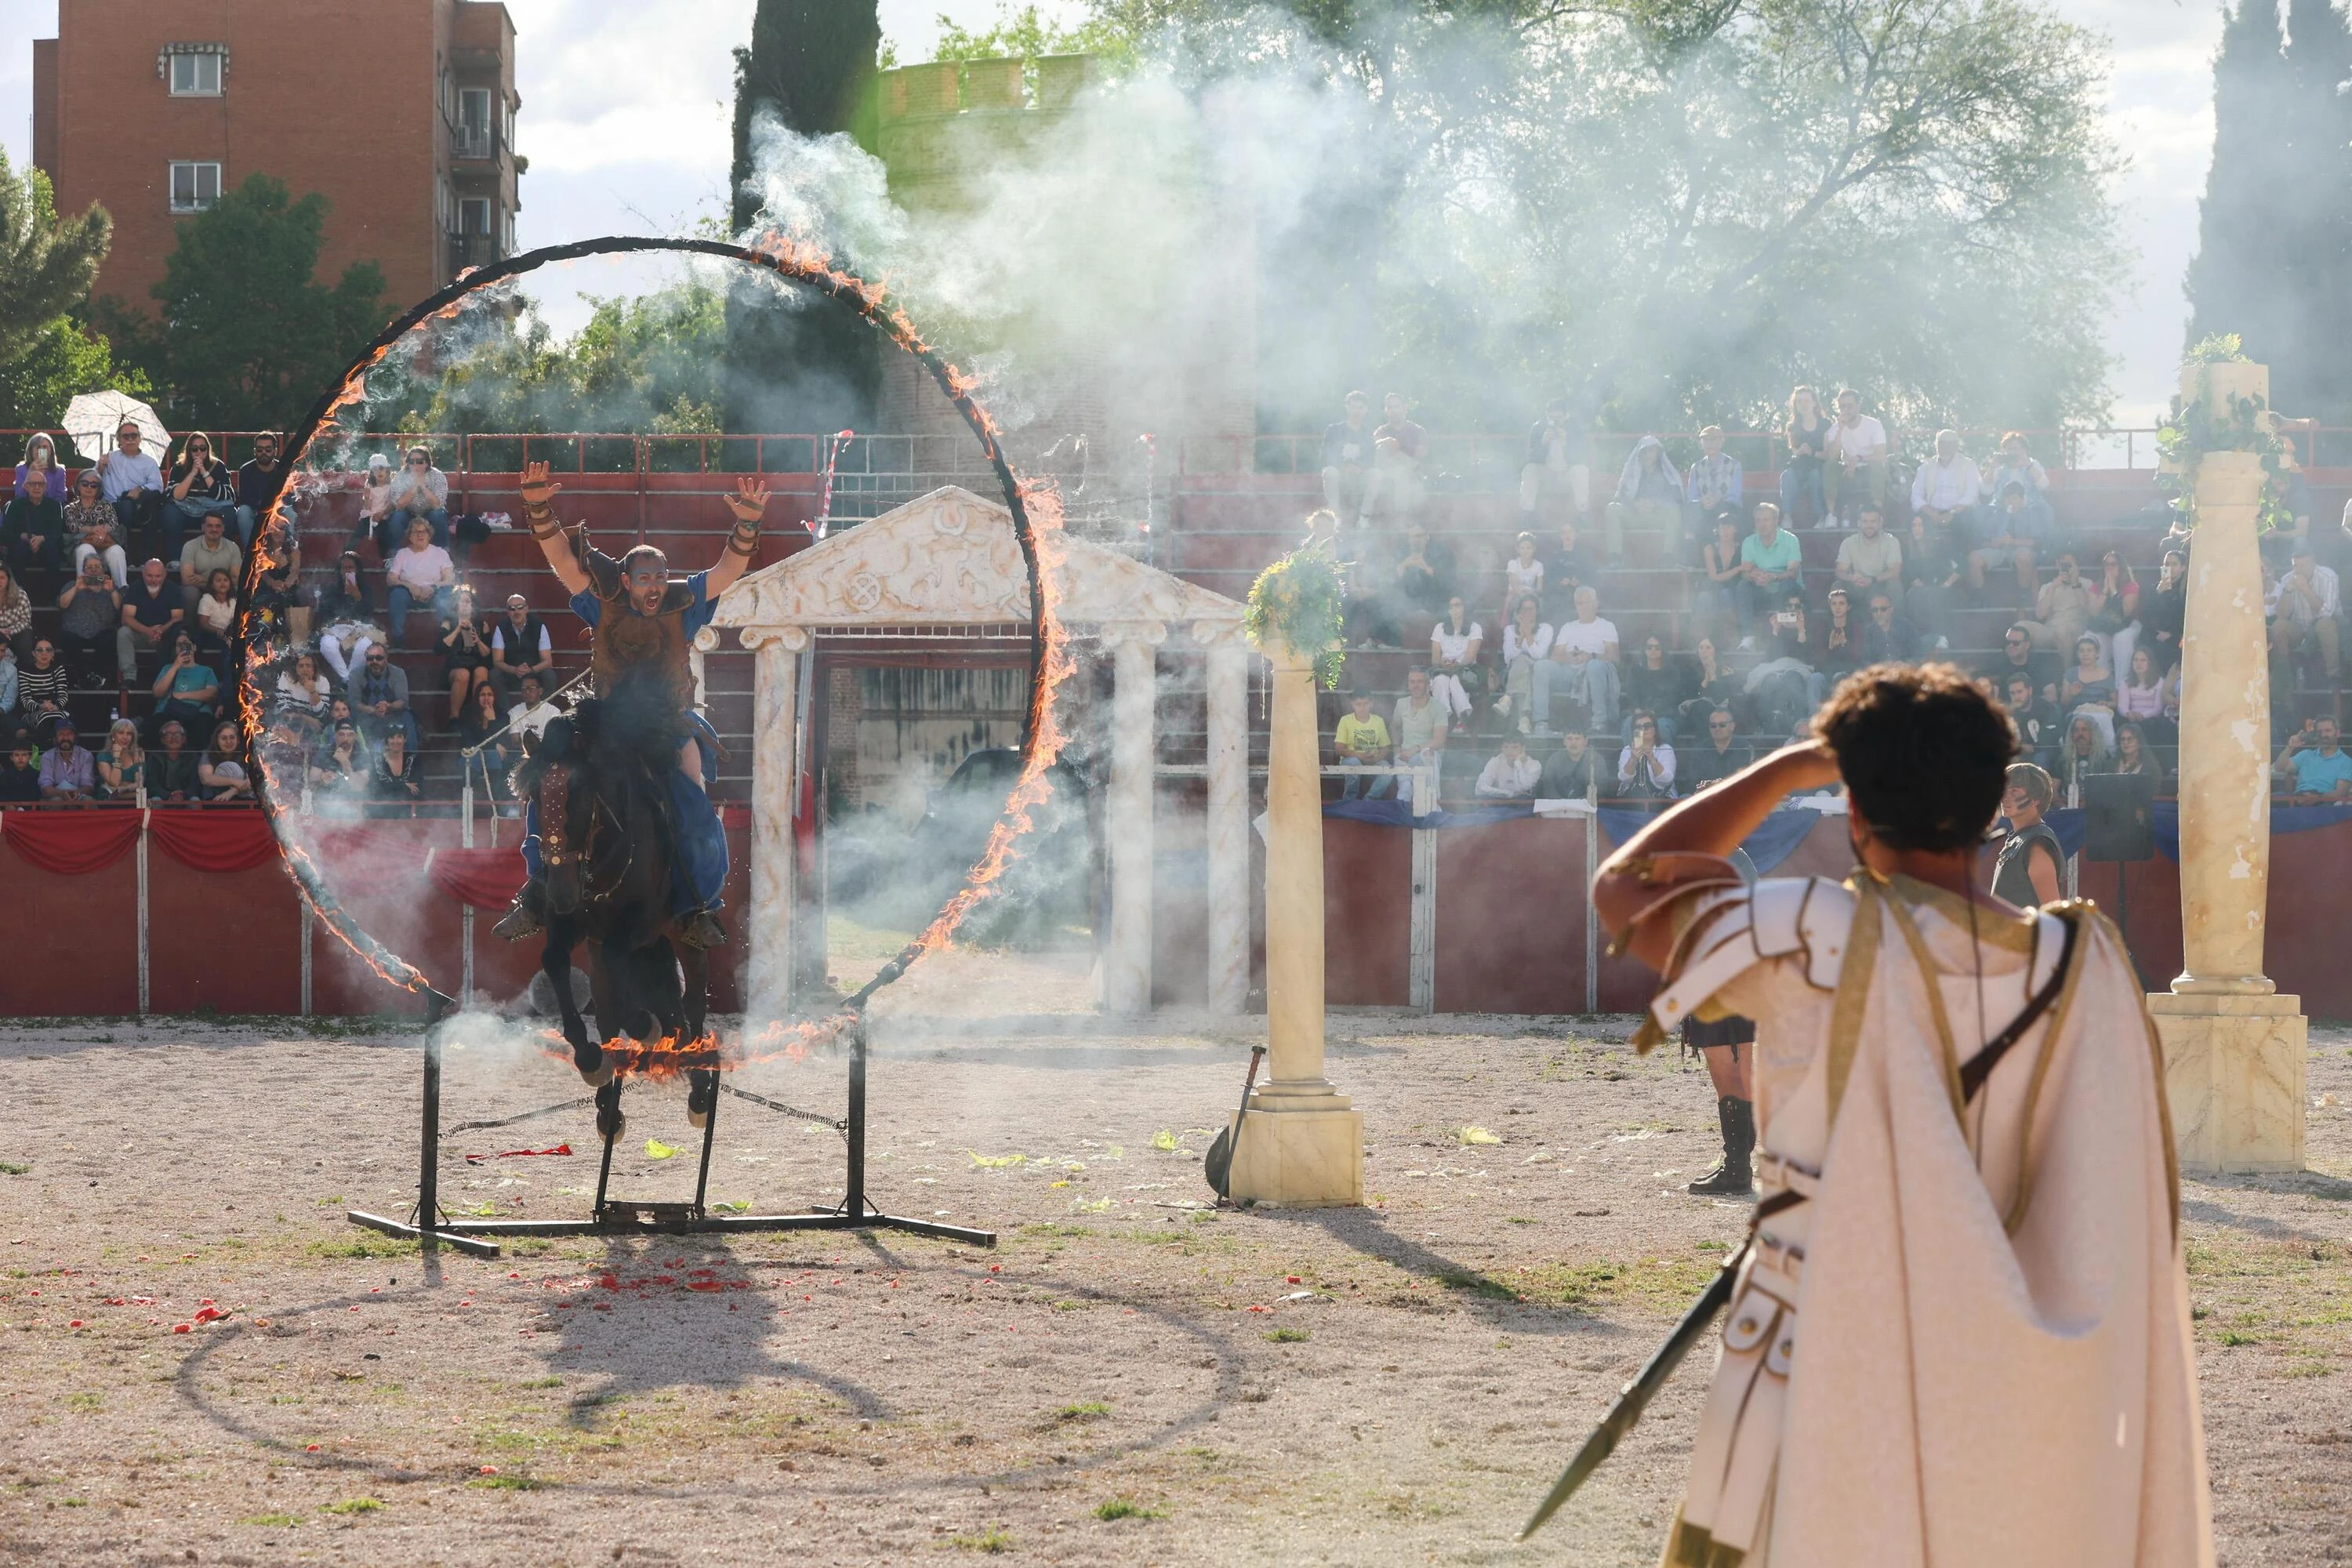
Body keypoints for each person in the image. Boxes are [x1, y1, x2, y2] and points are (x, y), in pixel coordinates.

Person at [1592, 667, 2208, 1567]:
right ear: (1994, 804)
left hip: (1836, 1349)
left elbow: (1625, 886)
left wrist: (1788, 769)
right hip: (2022, 1382)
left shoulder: (1813, 935)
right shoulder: (2090, 964)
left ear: (1852, 809)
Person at [492, 461, 771, 949]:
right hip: (605, 720)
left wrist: (747, 523)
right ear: (625, 580)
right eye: (645, 578)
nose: (655, 585)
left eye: (661, 576)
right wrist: (538, 510)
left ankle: (698, 906)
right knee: (549, 782)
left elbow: (727, 571)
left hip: (667, 722)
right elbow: (564, 562)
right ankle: (535, 895)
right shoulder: (602, 602)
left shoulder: (686, 602)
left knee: (694, 804)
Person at [1548, 585, 1623, 737]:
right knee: (1542, 666)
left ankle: (1599, 722)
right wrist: (1569, 658)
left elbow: (1614, 658)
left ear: (1596, 604)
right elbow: (1555, 657)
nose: (1584, 607)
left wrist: (1591, 656)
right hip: (1570, 671)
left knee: (1594, 666)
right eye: (1580, 603)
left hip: (1596, 670)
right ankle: (1540, 723)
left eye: (1587, 603)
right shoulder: (1568, 627)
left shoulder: (1606, 626)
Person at [2267, 539, 2341, 687]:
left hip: (2325, 626)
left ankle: (2334, 677)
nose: (2299, 570)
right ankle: (2285, 678)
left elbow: (2326, 612)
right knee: (2279, 626)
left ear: (2314, 563)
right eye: (2296, 565)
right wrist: (2288, 591)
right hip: (2300, 628)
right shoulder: (2287, 579)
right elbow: (2281, 615)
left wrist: (2306, 588)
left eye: (2304, 566)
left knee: (2325, 625)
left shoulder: (2328, 576)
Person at [1991, 760, 2065, 906]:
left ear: (2035, 799)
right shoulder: (2020, 838)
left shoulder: (2037, 844)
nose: (2005, 797)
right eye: (2004, 790)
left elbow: (2051, 908)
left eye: (2015, 791)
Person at [1733, 503, 1803, 648]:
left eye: (1766, 520)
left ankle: (1779, 634)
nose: (1762, 524)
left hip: (1786, 588)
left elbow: (1793, 572)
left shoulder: (1791, 540)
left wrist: (1773, 577)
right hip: (1761, 589)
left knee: (1787, 585)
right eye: (1758, 520)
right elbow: (1746, 572)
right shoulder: (1749, 542)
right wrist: (1755, 576)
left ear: (1776, 520)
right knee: (1743, 586)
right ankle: (1748, 637)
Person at [1605, 434, 1682, 561]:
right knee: (1612, 508)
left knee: (1674, 510)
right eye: (1645, 451)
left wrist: (1655, 504)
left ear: (1658, 453)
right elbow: (1620, 496)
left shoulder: (1666, 475)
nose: (1648, 455)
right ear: (1639, 454)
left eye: (1651, 451)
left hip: (1657, 517)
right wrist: (1634, 504)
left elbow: (1676, 496)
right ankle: (1615, 556)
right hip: (1635, 516)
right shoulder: (1632, 474)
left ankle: (1669, 556)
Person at [94, 420, 165, 555]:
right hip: (108, 504)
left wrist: (140, 489)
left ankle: (130, 553)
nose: (130, 439)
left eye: (134, 436)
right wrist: (101, 468)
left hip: (135, 506)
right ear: (119, 440)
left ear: (140, 438)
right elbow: (92, 479)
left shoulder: (149, 462)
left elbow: (158, 486)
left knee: (130, 507)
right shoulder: (109, 458)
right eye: (126, 436)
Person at [1820, 387, 1888, 526]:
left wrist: (1859, 459)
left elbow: (1881, 455)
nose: (1846, 410)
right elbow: (1833, 456)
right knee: (1829, 466)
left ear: (1858, 407)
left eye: (1849, 406)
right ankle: (1831, 515)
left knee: (1877, 468)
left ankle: (1877, 514)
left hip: (1868, 465)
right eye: (1842, 407)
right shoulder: (1835, 429)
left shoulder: (1874, 425)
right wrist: (1840, 430)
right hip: (1847, 467)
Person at [163, 434, 238, 558]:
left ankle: (224, 557)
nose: (199, 452)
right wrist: (193, 473)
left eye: (203, 448)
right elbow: (176, 496)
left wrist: (204, 472)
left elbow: (227, 496)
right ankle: (175, 559)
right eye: (194, 449)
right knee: (170, 512)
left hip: (211, 509)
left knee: (229, 513)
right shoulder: (178, 467)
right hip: (185, 509)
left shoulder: (218, 466)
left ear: (208, 450)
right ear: (189, 450)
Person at [1519, 397, 1591, 526]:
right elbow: (1530, 458)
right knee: (1529, 470)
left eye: (1558, 418)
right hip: (1546, 474)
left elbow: (1581, 457)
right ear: (1546, 415)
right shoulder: (1538, 428)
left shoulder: (1575, 428)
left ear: (1566, 415)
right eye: (1551, 418)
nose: (1555, 421)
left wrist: (1566, 443)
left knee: (1581, 470)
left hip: (1567, 474)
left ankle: (1583, 513)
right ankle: (1527, 514)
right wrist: (1543, 443)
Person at [1360, 392, 1428, 526]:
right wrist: (1386, 442)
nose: (1393, 410)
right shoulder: (1381, 431)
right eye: (1390, 407)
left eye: (1397, 406)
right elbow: (1373, 451)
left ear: (1405, 408)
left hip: (1411, 469)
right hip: (1385, 469)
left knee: (1402, 472)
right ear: (1386, 410)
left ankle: (1402, 517)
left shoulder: (1417, 430)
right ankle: (1364, 517)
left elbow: (1420, 456)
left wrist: (1397, 452)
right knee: (1378, 465)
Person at [1968, 481, 2045, 598]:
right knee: (1974, 558)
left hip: (2020, 550)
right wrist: (1992, 543)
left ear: (2022, 500)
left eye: (2014, 498)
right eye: (2007, 498)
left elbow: (2037, 541)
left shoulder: (2030, 515)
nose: (2010, 502)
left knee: (2023, 557)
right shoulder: (1996, 515)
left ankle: (2024, 594)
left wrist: (2013, 542)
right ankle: (1978, 597)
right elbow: (1982, 541)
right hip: (1998, 551)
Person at [56, 553, 122, 688]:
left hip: (101, 632)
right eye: (89, 567)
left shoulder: (110, 587)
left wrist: (111, 591)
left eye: (97, 567)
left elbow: (119, 607)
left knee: (111, 637)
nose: (93, 570)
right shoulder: (72, 585)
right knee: (66, 639)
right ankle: (87, 676)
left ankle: (96, 677)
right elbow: (62, 604)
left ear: (103, 570)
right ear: (83, 570)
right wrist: (76, 588)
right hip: (74, 632)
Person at [383, 516, 456, 641]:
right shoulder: (402, 554)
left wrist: (434, 587)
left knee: (445, 595)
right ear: (410, 536)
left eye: (423, 532)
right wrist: (409, 586)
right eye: (415, 532)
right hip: (410, 594)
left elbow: (450, 578)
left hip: (434, 593)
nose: (420, 535)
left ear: (429, 535)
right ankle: (398, 637)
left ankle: (445, 636)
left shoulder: (440, 553)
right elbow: (391, 579)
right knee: (397, 595)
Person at [317, 552, 380, 684]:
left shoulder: (365, 589)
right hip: (336, 628)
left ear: (357, 570)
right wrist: (337, 620)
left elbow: (368, 611)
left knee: (365, 645)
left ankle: (347, 680)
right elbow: (325, 611)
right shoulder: (331, 588)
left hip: (360, 629)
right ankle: (347, 679)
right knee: (327, 644)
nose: (347, 571)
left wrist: (357, 595)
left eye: (351, 568)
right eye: (344, 568)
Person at [118, 557, 184, 684]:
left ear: (165, 575)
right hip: (141, 635)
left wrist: (161, 630)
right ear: (143, 574)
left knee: (182, 638)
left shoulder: (174, 590)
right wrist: (148, 631)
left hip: (166, 636)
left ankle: (178, 678)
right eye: (150, 576)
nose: (154, 580)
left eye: (158, 576)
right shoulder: (135, 588)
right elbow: (126, 618)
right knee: (123, 632)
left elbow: (178, 617)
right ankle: (129, 677)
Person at [2, 464, 66, 590]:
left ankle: (54, 594)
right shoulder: (14, 506)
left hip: (47, 547)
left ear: (45, 487)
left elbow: (58, 532)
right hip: (21, 547)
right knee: (19, 549)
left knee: (51, 548)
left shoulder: (54, 506)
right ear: (26, 486)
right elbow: (6, 532)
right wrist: (22, 536)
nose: (37, 487)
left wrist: (42, 538)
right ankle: (15, 593)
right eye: (33, 484)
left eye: (40, 484)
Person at [1497, 594, 1554, 737]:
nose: (1528, 613)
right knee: (1521, 662)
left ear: (1537, 611)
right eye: (1524, 609)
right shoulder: (1510, 630)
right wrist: (1520, 637)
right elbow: (1508, 658)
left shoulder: (1546, 629)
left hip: (1539, 671)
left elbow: (1539, 655)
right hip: (1513, 672)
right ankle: (1524, 718)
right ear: (1518, 612)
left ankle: (1508, 698)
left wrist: (1528, 635)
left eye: (1531, 609)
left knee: (1526, 664)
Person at [2024, 550, 2100, 655]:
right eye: (2063, 564)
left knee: (2063, 631)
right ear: (2057, 564)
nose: (2066, 568)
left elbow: (2089, 610)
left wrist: (2076, 584)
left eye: (2069, 564)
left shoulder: (2087, 583)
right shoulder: (2047, 587)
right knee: (2022, 628)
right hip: (2050, 630)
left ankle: (2067, 666)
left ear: (2075, 565)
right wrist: (2053, 588)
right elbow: (2040, 615)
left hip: (2076, 629)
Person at [150, 630, 220, 741]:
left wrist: (181, 696)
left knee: (203, 725)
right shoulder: (168, 668)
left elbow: (212, 694)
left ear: (194, 647)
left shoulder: (206, 671)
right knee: (153, 726)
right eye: (179, 645)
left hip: (197, 713)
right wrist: (176, 666)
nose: (183, 647)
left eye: (186, 644)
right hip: (168, 712)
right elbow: (158, 693)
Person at [1389, 665, 1449, 797]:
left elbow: (1439, 741)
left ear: (1428, 684)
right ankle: (1402, 808)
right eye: (1412, 682)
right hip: (1405, 753)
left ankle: (1432, 802)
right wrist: (1396, 747)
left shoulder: (1439, 707)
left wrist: (1416, 749)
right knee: (1405, 788)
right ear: (1408, 684)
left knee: (1427, 757)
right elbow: (1395, 726)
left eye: (1420, 681)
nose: (1416, 685)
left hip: (1428, 754)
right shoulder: (1401, 704)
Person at [1907, 428, 1981, 534]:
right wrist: (1932, 513)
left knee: (1967, 522)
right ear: (1936, 445)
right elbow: (1916, 496)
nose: (1945, 447)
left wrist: (1951, 513)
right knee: (1912, 522)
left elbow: (1971, 495)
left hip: (1959, 513)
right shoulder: (1926, 466)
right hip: (1931, 512)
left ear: (1956, 446)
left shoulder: (1969, 465)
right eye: (1941, 444)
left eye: (1949, 444)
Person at [438, 584, 492, 726]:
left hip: (476, 665)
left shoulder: (481, 624)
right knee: (463, 674)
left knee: (482, 671)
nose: (465, 605)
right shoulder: (448, 622)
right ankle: (454, 718)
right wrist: (457, 630)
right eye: (461, 601)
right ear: (456, 605)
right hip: (455, 667)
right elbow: (439, 648)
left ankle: (479, 717)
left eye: (468, 601)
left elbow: (488, 654)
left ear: (473, 606)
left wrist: (478, 641)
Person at [453, 677, 515, 801]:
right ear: (477, 697)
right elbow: (469, 742)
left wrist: (491, 721)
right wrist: (493, 743)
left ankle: (497, 804)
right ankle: (470, 803)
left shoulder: (503, 717)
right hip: (473, 755)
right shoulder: (467, 715)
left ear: (495, 697)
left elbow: (503, 743)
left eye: (490, 695)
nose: (486, 698)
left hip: (494, 758)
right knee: (473, 759)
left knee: (493, 756)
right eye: (482, 695)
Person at [350, 643, 419, 754]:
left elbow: (403, 701)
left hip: (393, 714)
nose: (374, 661)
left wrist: (388, 706)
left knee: (407, 717)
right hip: (366, 715)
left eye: (379, 658)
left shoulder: (398, 673)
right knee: (353, 716)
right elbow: (354, 702)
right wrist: (373, 710)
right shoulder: (356, 674)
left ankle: (411, 759)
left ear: (386, 659)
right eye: (370, 658)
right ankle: (360, 761)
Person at [1778, 384, 1831, 528]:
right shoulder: (1792, 426)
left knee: (1815, 476)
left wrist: (1812, 452)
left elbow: (1828, 454)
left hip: (1818, 464)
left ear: (1814, 403)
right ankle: (1787, 516)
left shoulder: (1825, 424)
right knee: (1787, 476)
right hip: (1799, 465)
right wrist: (1800, 451)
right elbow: (1793, 451)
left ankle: (1821, 516)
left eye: (1807, 400)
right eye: (1799, 401)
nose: (1803, 404)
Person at [1622, 633, 1691, 742]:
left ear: (1662, 649)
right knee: (1629, 724)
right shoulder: (1635, 671)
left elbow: (1672, 698)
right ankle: (1637, 752)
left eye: (1657, 647)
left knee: (1661, 727)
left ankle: (1660, 753)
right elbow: (1632, 696)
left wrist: (1652, 715)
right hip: (1640, 715)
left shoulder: (1672, 671)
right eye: (1649, 647)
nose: (1653, 650)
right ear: (1644, 650)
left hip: (1665, 716)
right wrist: (1638, 711)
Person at [1983, 431, 2054, 538]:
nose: (2012, 452)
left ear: (2024, 450)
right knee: (1982, 513)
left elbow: (2044, 485)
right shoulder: (1999, 468)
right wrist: (1992, 467)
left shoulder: (2032, 464)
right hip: (2002, 508)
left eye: (2015, 449)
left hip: (2029, 507)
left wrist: (2028, 466)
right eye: (2009, 449)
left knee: (2043, 511)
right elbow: (1985, 490)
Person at [63, 470, 125, 588]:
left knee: (117, 551)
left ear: (98, 489)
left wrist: (101, 534)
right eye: (85, 484)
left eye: (94, 485)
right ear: (78, 486)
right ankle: (84, 588)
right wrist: (95, 530)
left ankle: (121, 589)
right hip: (80, 546)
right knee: (86, 549)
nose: (89, 487)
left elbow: (113, 524)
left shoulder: (106, 506)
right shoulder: (70, 508)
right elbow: (74, 527)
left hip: (105, 545)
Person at [1319, 391, 1376, 521]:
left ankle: (1365, 517)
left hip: (1360, 476)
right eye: (1353, 407)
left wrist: (1360, 468)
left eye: (1360, 408)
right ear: (1347, 408)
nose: (1357, 411)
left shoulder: (1369, 433)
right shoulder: (1334, 430)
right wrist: (1342, 467)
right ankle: (1336, 517)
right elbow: (1325, 455)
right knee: (1330, 472)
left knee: (1376, 474)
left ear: (1366, 410)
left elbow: (1372, 458)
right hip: (1339, 474)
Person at [490, 591, 557, 701]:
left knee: (549, 675)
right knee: (495, 675)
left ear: (526, 609)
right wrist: (514, 670)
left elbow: (547, 661)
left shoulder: (539, 626)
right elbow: (497, 662)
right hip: (511, 673)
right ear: (508, 612)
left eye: (520, 607)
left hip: (533, 672)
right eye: (512, 609)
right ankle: (506, 710)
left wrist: (531, 670)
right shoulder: (501, 627)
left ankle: (542, 708)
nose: (516, 612)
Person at [1427, 595, 1481, 724]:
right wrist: (1442, 663)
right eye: (1451, 607)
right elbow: (1435, 658)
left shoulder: (1475, 627)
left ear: (1465, 608)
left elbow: (1470, 657)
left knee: (1455, 681)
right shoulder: (1439, 628)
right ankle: (1443, 718)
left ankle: (1463, 717)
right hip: (1444, 669)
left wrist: (1458, 665)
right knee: (1440, 681)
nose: (1454, 609)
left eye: (1458, 605)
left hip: (1466, 670)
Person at [1693, 515, 1748, 644]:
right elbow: (1713, 577)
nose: (1725, 531)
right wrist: (1738, 568)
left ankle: (1733, 637)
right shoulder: (1709, 548)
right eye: (1721, 528)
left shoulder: (1742, 548)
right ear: (1717, 530)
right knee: (1704, 598)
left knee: (1726, 594)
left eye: (1729, 527)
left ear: (1735, 529)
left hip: (1733, 589)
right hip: (1712, 587)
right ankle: (1701, 640)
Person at [1684, 425, 1743, 542]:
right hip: (1703, 507)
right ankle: (1690, 545)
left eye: (1713, 439)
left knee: (1725, 509)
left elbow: (1735, 496)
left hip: (1725, 507)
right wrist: (1702, 501)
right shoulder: (1696, 467)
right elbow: (1692, 496)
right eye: (1705, 440)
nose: (1709, 444)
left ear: (1721, 441)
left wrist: (1717, 500)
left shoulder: (1734, 465)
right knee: (1692, 510)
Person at [1334, 690, 1394, 800]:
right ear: (1352, 704)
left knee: (1388, 770)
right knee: (1354, 763)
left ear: (1372, 703)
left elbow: (1385, 748)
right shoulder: (1345, 720)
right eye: (1359, 704)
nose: (1362, 708)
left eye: (1366, 703)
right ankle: (1349, 799)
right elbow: (1339, 748)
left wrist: (1375, 759)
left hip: (1373, 760)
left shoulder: (1378, 721)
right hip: (1351, 760)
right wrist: (1360, 756)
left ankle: (1369, 799)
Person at [388, 444, 452, 547]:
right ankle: (394, 553)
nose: (415, 465)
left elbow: (437, 504)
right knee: (397, 516)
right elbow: (398, 505)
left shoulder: (437, 475)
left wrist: (422, 487)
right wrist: (414, 487)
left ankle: (443, 551)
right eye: (411, 462)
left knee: (438, 515)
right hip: (409, 513)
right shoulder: (401, 476)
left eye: (420, 462)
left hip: (430, 512)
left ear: (427, 463)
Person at [2278, 715, 2352, 803]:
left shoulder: (2346, 762)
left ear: (2338, 733)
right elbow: (2280, 768)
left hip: (2325, 802)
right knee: (2271, 799)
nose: (2323, 735)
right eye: (2320, 732)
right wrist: (2290, 747)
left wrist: (2317, 798)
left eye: (2328, 731)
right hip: (2298, 798)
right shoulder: (2305, 755)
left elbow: (2341, 792)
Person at [1830, 504, 1901, 596]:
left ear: (1880, 523)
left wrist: (1872, 580)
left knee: (1894, 585)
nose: (1869, 525)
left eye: (1873, 521)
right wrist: (1852, 578)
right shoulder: (1849, 542)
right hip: (1857, 585)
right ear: (1859, 523)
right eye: (1865, 521)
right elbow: (1840, 571)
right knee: (1837, 585)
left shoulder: (1891, 541)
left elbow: (1895, 571)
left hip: (1880, 585)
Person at [1679, 706, 1751, 793]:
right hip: (1706, 797)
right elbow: (1692, 782)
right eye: (1713, 725)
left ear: (1732, 726)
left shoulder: (1745, 748)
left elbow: (1748, 780)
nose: (1717, 728)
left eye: (1722, 725)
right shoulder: (1700, 750)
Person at [1389, 522, 1454, 619]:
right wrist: (1402, 567)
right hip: (1406, 606)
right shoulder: (1401, 554)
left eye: (1420, 536)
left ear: (1427, 537)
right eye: (1413, 537)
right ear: (1408, 539)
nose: (1416, 540)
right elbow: (1393, 586)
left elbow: (1447, 583)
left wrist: (1426, 567)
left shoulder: (1440, 554)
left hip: (1434, 605)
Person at [1538, 518, 1596, 623]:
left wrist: (1579, 582)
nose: (1567, 536)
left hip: (1580, 597)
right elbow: (1548, 579)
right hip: (1558, 597)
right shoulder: (1554, 557)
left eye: (1570, 532)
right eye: (1564, 533)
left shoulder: (1584, 557)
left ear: (1576, 535)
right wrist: (1559, 582)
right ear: (1560, 536)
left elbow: (1591, 577)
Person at [233, 431, 284, 546]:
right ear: (255, 451)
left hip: (277, 509)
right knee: (243, 511)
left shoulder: (282, 470)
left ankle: (288, 551)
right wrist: (263, 509)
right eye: (260, 450)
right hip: (254, 510)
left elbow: (287, 497)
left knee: (290, 511)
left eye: (268, 449)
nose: (264, 453)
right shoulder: (246, 470)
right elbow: (244, 499)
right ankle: (250, 551)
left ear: (275, 451)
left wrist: (273, 509)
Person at [2117, 645, 2174, 749]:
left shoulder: (2160, 682)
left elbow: (2158, 708)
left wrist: (2142, 715)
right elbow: (2122, 706)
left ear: (2150, 663)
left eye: (2143, 660)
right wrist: (2128, 713)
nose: (2138, 663)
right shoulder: (2125, 682)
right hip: (2131, 718)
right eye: (2136, 660)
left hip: (2151, 720)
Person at [16, 636, 69, 743]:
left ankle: (58, 750)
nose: (44, 654)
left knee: (60, 717)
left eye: (48, 650)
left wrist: (56, 706)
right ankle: (43, 750)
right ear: (33, 653)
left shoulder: (58, 669)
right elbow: (25, 699)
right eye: (40, 650)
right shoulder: (24, 670)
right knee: (46, 717)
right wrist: (41, 706)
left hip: (55, 708)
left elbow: (63, 694)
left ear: (53, 653)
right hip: (32, 711)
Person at [176, 509, 241, 594]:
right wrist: (219, 582)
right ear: (203, 528)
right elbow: (187, 579)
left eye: (218, 526)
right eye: (210, 526)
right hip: (199, 589)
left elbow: (236, 579)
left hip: (224, 591)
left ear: (223, 528)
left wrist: (204, 580)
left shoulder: (233, 547)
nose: (214, 529)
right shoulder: (190, 546)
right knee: (190, 593)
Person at [2005, 672, 2062, 768]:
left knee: (2041, 758)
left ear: (2030, 691)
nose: (2016, 697)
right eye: (2012, 693)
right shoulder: (2008, 714)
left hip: (2044, 755)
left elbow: (2047, 743)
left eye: (2020, 692)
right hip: (2017, 754)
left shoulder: (2047, 709)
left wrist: (2027, 748)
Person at [1614, 710, 1674, 799]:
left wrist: (1652, 759)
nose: (1643, 729)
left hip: (1661, 799)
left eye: (1647, 726)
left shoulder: (1666, 749)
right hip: (1631, 800)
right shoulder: (1627, 750)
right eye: (1638, 727)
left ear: (1655, 729)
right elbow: (1624, 778)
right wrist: (1633, 759)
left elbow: (1666, 780)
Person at [191, 567, 238, 679]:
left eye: (225, 580)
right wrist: (218, 631)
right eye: (218, 580)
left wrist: (228, 634)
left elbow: (235, 623)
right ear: (212, 585)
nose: (223, 583)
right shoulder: (207, 599)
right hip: (209, 634)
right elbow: (203, 623)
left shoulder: (234, 602)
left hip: (227, 635)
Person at [2143, 549, 2187, 669]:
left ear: (2183, 568)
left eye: (2174, 564)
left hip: (2177, 636)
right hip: (2156, 633)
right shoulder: (2155, 588)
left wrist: (2171, 635)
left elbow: (2183, 617)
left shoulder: (2186, 590)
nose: (2170, 568)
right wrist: (2158, 593)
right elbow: (2146, 614)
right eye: (2167, 564)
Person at [349, 452, 398, 557]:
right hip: (370, 516)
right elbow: (367, 507)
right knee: (357, 534)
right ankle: (347, 554)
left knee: (384, 536)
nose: (379, 472)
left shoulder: (391, 486)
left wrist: (381, 514)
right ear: (372, 472)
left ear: (387, 470)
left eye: (382, 468)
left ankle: (386, 558)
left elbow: (392, 504)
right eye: (376, 469)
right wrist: (367, 498)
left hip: (383, 517)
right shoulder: (370, 486)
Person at [275, 650, 332, 739]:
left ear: (313, 668)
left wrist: (313, 691)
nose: (305, 669)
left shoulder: (323, 681)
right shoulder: (286, 677)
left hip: (312, 726)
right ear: (296, 668)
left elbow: (322, 714)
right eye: (301, 666)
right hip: (289, 723)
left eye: (308, 666)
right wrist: (305, 718)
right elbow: (283, 708)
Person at [143, 718, 201, 803]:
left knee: (195, 800)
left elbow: (195, 784)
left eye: (177, 734)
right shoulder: (155, 757)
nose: (174, 738)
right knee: (155, 800)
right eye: (169, 735)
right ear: (163, 740)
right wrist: (169, 795)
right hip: (162, 797)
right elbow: (152, 785)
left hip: (186, 797)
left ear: (184, 739)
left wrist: (183, 795)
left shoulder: (193, 757)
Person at [368, 724, 423, 813]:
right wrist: (404, 785)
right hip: (382, 811)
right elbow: (377, 790)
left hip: (409, 811)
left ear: (405, 739)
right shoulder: (377, 761)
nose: (396, 741)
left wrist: (392, 786)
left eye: (399, 737)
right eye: (392, 737)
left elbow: (418, 789)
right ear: (386, 741)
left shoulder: (413, 759)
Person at [37, 717, 94, 801]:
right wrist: (63, 794)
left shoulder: (86, 755)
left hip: (79, 796)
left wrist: (76, 793)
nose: (65, 738)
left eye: (69, 734)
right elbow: (46, 787)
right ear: (55, 737)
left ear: (75, 736)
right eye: (61, 734)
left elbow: (88, 786)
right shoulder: (47, 756)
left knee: (87, 800)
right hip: (56, 796)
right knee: (57, 801)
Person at [310, 720, 368, 801]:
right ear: (335, 736)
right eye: (341, 734)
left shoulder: (361, 755)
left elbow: (359, 787)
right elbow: (311, 787)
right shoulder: (324, 753)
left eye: (350, 735)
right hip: (326, 801)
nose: (345, 739)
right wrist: (322, 780)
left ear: (355, 737)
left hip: (353, 802)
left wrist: (345, 763)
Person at [1537, 728, 1600, 799]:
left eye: (1578, 738)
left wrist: (1579, 803)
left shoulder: (1596, 760)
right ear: (1564, 741)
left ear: (1586, 741)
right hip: (1558, 804)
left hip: (1587, 804)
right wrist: (1562, 803)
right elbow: (1548, 787)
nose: (1573, 742)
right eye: (1569, 738)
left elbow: (1600, 790)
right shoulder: (1554, 759)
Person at [198, 720, 252, 801]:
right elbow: (206, 778)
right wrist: (235, 782)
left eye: (232, 737)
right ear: (217, 740)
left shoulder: (246, 755)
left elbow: (253, 780)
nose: (228, 742)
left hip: (243, 801)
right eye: (224, 738)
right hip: (214, 801)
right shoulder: (208, 755)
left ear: (238, 739)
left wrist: (233, 791)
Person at [1860, 590, 1918, 664]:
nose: (1879, 613)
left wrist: (1907, 664)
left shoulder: (1906, 626)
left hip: (1905, 670)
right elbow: (1866, 661)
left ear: (1891, 609)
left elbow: (1919, 655)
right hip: (1880, 671)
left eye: (1883, 609)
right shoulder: (1869, 632)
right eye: (1874, 610)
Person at [94, 718, 144, 803]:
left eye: (129, 734)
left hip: (133, 800)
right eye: (121, 733)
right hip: (109, 803)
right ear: (113, 736)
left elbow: (139, 784)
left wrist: (124, 789)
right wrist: (117, 757)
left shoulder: (137, 754)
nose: (125, 737)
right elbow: (115, 782)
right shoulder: (103, 756)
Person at [1475, 734, 1540, 800]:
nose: (1509, 751)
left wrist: (1518, 763)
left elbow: (1523, 790)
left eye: (1515, 747)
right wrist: (1509, 794)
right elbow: (1480, 787)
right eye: (1506, 747)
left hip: (1524, 804)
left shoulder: (1534, 765)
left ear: (1523, 748)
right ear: (1502, 748)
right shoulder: (1496, 761)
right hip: (1499, 802)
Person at [1501, 532, 1544, 626]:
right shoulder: (1513, 564)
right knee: (1517, 604)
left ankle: (1536, 627)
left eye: (1529, 548)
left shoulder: (1539, 565)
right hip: (1515, 595)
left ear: (1534, 549)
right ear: (1518, 549)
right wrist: (1525, 598)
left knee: (1540, 604)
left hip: (1531, 595)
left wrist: (1532, 596)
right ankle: (1513, 626)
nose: (1526, 551)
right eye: (1522, 548)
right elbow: (1515, 587)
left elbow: (1539, 588)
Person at [2112, 721, 2168, 793]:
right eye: (2123, 739)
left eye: (2130, 739)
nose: (2126, 742)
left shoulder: (2151, 766)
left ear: (2139, 742)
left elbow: (2153, 790)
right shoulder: (2112, 764)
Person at [507, 672, 561, 743]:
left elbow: (553, 741)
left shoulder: (553, 712)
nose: (527, 692)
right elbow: (515, 742)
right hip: (523, 750)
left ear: (540, 691)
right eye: (524, 688)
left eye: (532, 688)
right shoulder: (514, 712)